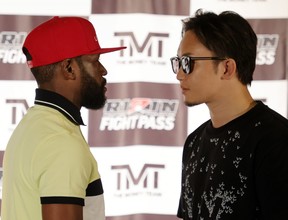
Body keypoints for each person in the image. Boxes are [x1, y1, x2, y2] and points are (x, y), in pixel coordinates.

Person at [1, 16, 126, 220]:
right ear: (69, 68)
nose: (103, 71)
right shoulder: (61, 142)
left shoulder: (32, 125)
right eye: (95, 62)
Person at [170, 9, 288, 220]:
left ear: (226, 68)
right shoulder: (194, 142)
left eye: (188, 63)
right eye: (177, 63)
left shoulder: (276, 140)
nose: (179, 74)